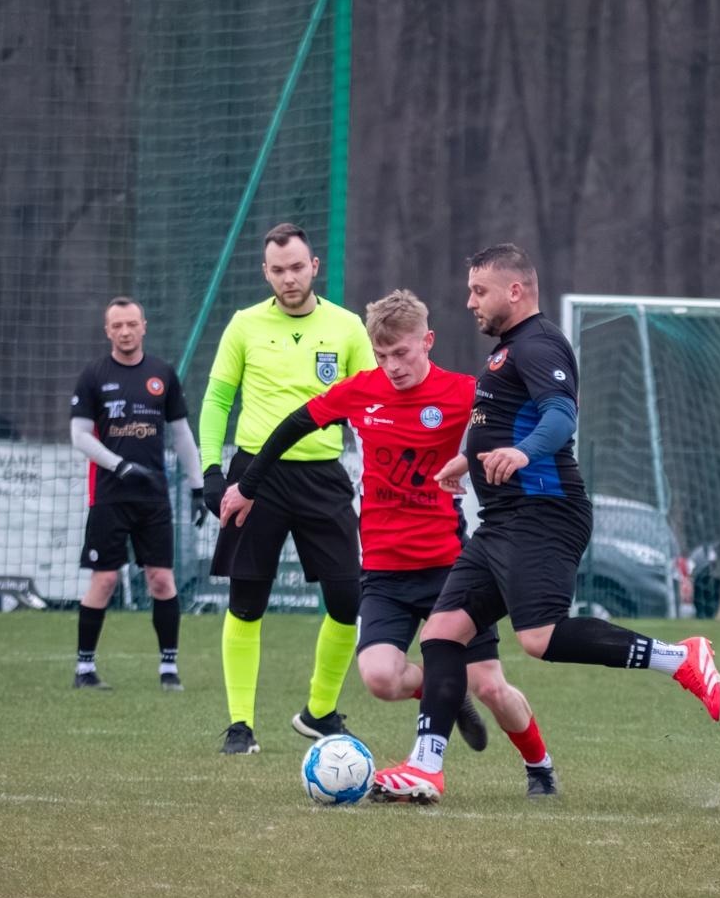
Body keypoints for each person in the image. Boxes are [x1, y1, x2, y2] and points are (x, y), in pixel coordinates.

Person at [370, 244, 720, 804]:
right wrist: (472, 458)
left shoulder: (538, 344)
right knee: (441, 635)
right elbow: (512, 419)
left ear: (515, 291)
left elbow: (561, 414)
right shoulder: (510, 350)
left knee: (538, 639)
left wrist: (522, 453)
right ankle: (426, 767)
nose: (469, 302)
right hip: (502, 519)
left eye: (479, 291)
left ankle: (682, 658)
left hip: (545, 513)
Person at [220, 289, 560, 795]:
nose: (392, 366)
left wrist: (503, 469)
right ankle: (445, 692)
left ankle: (540, 767)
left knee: (490, 684)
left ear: (427, 341)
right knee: (380, 678)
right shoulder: (361, 391)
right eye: (382, 356)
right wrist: (247, 486)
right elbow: (293, 424)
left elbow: (523, 422)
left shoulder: (465, 391)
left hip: (449, 565)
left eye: (401, 353)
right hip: (382, 569)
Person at [198, 223, 375, 754]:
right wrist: (212, 471)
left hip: (324, 476)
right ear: (265, 272)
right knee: (247, 600)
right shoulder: (244, 325)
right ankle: (239, 726)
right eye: (278, 270)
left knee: (348, 599)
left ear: (315, 266)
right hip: (256, 476)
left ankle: (319, 712)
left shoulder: (346, 327)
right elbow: (216, 402)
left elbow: (370, 406)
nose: (289, 278)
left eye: (297, 267)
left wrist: (377, 466)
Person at [69, 297, 204, 691]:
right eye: (117, 326)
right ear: (107, 331)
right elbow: (78, 436)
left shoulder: (162, 373)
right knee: (105, 580)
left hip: (154, 498)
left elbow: (181, 435)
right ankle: (84, 670)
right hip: (109, 495)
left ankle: (168, 669)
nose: (125, 331)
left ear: (144, 326)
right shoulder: (93, 375)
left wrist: (197, 486)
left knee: (161, 579)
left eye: (132, 324)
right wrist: (119, 465)